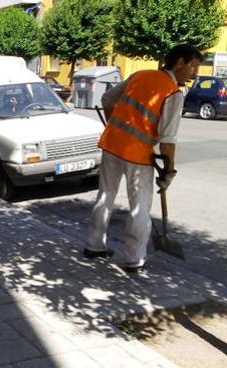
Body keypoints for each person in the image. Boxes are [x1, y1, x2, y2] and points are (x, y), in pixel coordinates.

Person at [83, 43, 202, 273]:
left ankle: (93, 245)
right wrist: (169, 171)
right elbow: (167, 139)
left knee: (105, 195)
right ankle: (134, 259)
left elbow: (108, 99)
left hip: (112, 144)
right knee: (139, 207)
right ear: (179, 63)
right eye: (194, 66)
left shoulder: (140, 74)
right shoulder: (173, 94)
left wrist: (117, 127)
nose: (195, 72)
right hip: (137, 155)